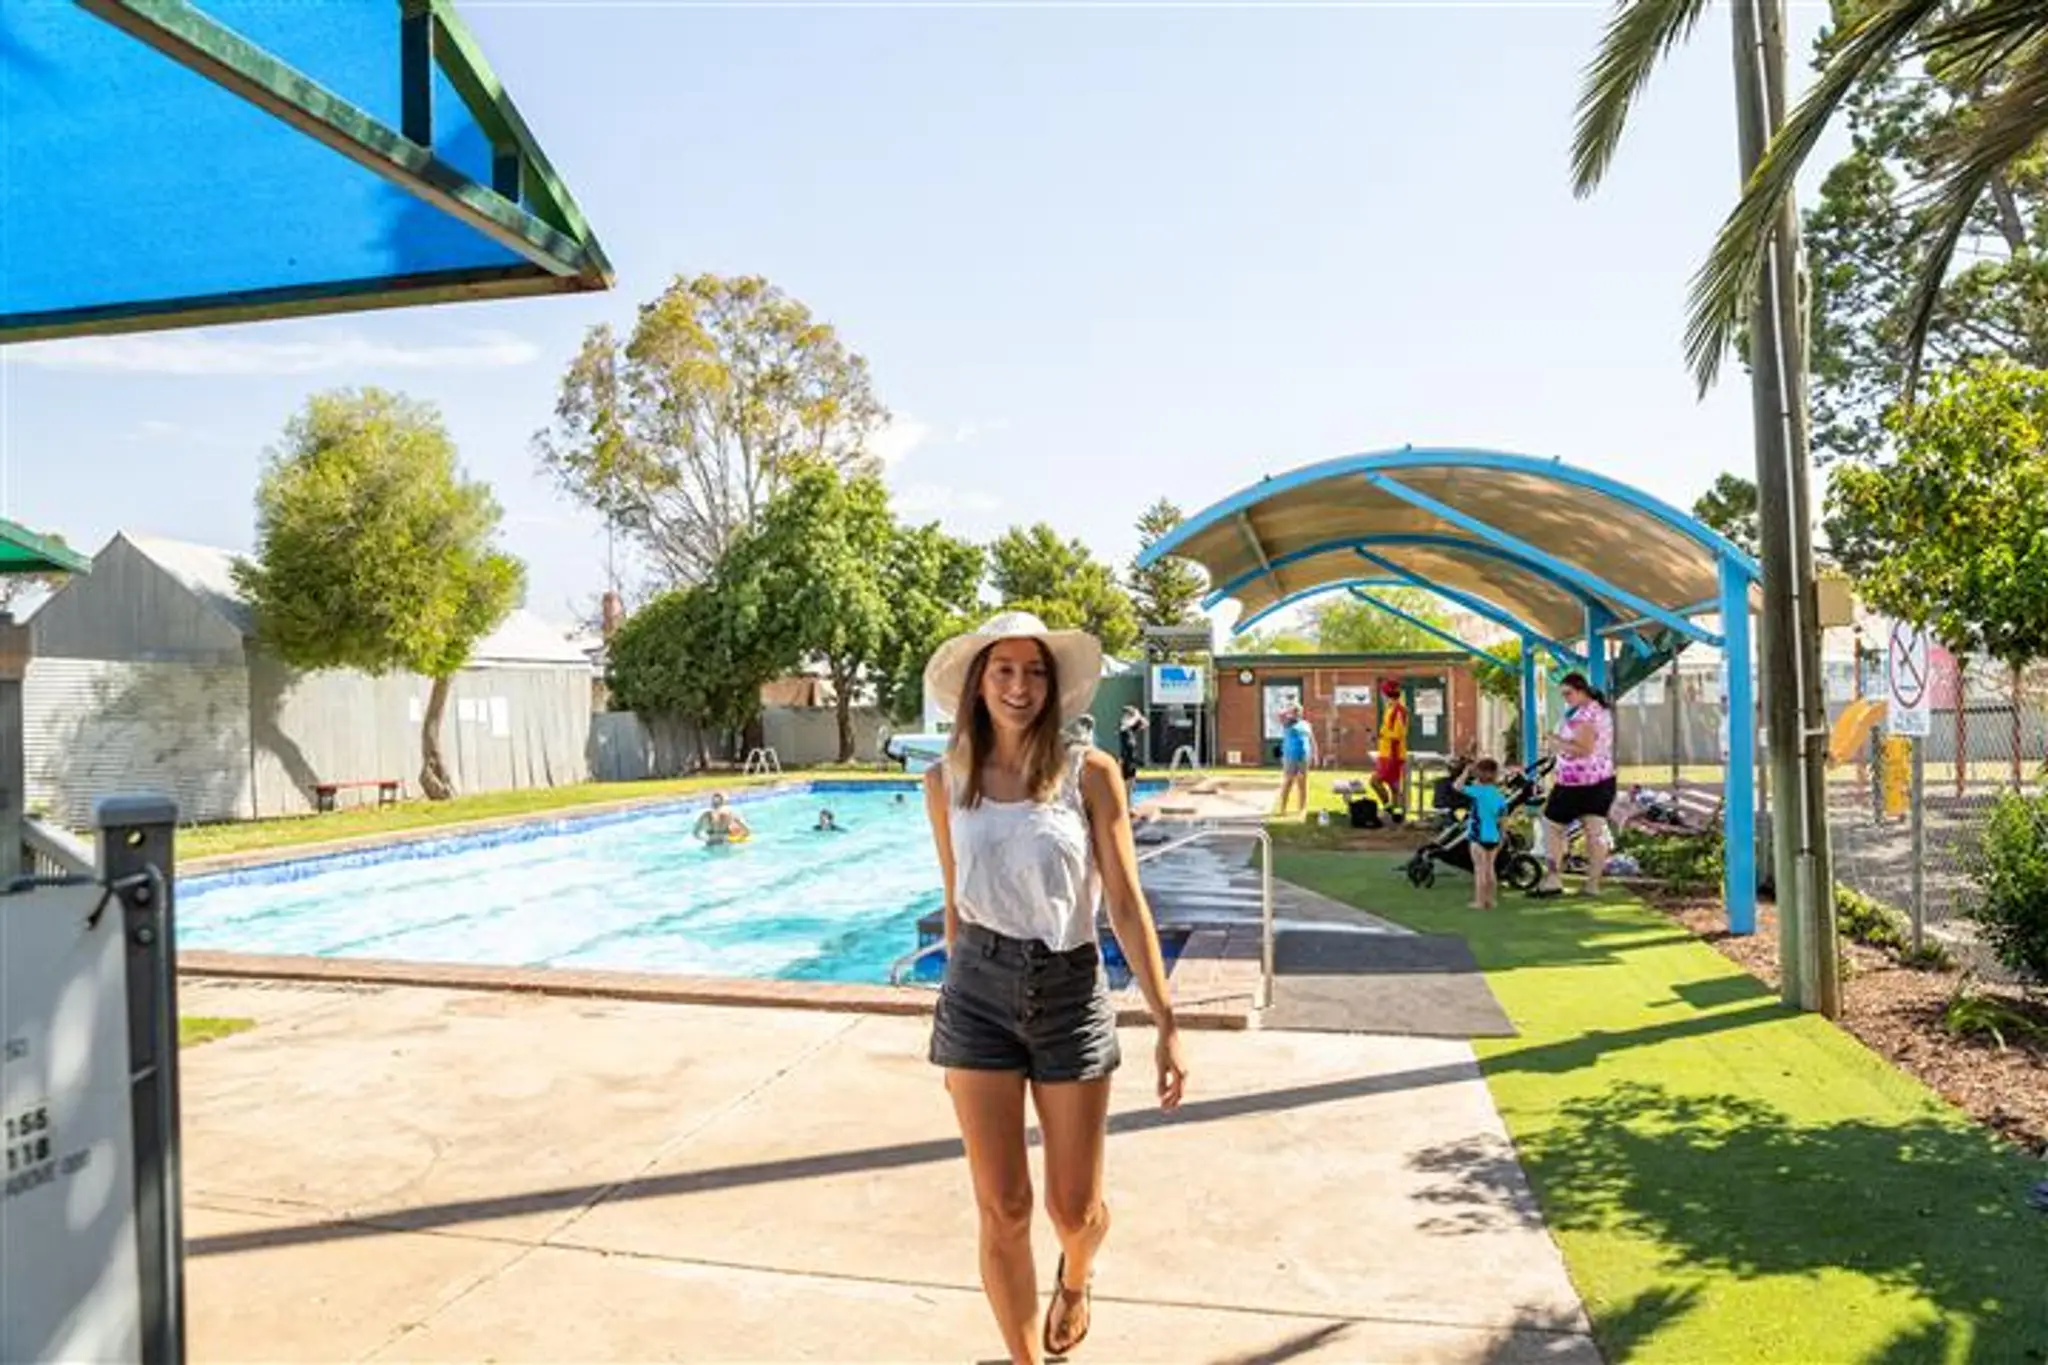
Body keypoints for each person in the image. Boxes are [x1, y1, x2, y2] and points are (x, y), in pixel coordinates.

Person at [920, 610, 1187, 1364]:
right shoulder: (943, 781)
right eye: (1003, 670)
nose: (1020, 685)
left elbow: (1125, 901)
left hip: (1069, 991)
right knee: (1003, 1207)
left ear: (1052, 684)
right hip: (977, 994)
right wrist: (954, 1003)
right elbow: (954, 902)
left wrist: (1166, 1021)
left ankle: (1077, 1273)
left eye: (1034, 671)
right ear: (978, 684)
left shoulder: (1089, 773)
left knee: (1075, 1210)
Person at [1534, 671, 1616, 898]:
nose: (1566, 698)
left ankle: (1553, 878)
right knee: (1595, 831)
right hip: (1602, 779)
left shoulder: (1584, 716)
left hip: (1575, 783)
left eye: (1568, 693)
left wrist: (1556, 741)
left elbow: (1583, 749)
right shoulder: (1601, 710)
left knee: (1552, 826)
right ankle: (1592, 884)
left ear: (1581, 691)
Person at [1454, 757, 1509, 910]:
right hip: (1494, 836)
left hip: (1478, 836)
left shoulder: (1478, 792)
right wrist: (1502, 836)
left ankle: (1479, 901)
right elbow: (1503, 819)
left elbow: (1457, 786)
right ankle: (1491, 900)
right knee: (1490, 869)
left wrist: (1466, 772)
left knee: (1479, 870)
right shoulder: (1499, 795)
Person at [1370, 679, 1410, 818]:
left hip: (1393, 754)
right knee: (1393, 785)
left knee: (1375, 781)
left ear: (1387, 694)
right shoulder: (1390, 709)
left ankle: (1388, 808)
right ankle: (1396, 813)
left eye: (1382, 693)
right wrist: (1380, 736)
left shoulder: (1399, 710)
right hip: (1387, 752)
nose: (1381, 696)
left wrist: (1382, 734)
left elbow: (1399, 734)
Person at [1274, 702, 1316, 816]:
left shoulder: (1306, 724)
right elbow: (1279, 715)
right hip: (1290, 756)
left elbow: (1312, 740)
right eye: (1294, 711)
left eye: (1298, 711)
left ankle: (1302, 808)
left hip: (1304, 756)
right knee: (1288, 781)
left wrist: (1315, 754)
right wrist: (1288, 710)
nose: (1296, 713)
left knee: (1303, 782)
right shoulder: (1287, 723)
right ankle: (1283, 808)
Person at [1116, 706, 1148, 793]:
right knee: (1125, 779)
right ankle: (1124, 796)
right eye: (1126, 714)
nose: (1126, 716)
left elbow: (1145, 724)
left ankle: (1129, 797)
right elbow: (1128, 724)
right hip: (1125, 757)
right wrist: (1136, 715)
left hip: (1132, 756)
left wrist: (1139, 716)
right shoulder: (1123, 725)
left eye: (1129, 714)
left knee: (1132, 778)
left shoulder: (1130, 728)